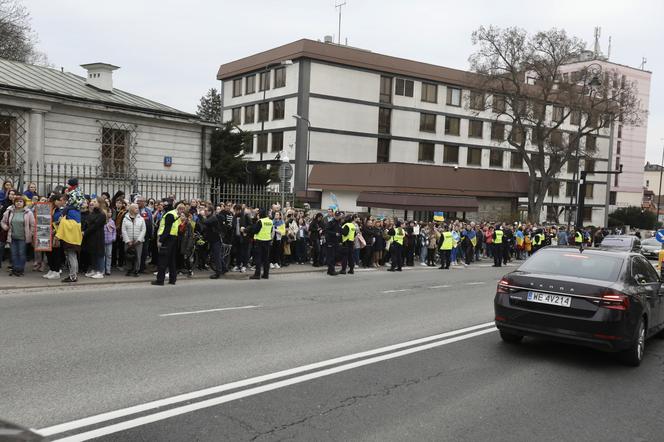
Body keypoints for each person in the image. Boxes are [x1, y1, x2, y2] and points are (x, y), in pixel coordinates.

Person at [1, 197, 34, 276]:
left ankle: (20, 269)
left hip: (23, 237)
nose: (18, 203)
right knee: (13, 254)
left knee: (21, 254)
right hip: (12, 237)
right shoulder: (9, 211)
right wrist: (4, 226)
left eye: (20, 201)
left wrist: (30, 234)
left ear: (24, 203)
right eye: (17, 201)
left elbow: (33, 225)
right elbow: (3, 221)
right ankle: (15, 269)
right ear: (14, 203)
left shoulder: (28, 212)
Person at [152, 199, 180, 286]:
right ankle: (172, 279)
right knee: (171, 260)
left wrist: (161, 240)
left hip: (167, 239)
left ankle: (160, 280)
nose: (162, 207)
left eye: (163, 205)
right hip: (174, 238)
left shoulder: (169, 215)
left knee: (162, 260)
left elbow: (167, 229)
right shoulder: (174, 213)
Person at [81, 197, 107, 279]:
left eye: (95, 201)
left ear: (99, 203)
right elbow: (88, 222)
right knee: (92, 254)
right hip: (91, 237)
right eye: (92, 201)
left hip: (98, 237)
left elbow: (95, 226)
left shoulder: (102, 214)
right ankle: (94, 269)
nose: (92, 202)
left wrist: (85, 232)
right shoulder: (92, 213)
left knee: (99, 254)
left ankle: (100, 271)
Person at [200, 205, 225, 279]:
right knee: (217, 256)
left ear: (210, 211)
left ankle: (218, 273)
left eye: (206, 211)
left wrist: (200, 215)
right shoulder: (209, 217)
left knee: (216, 257)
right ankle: (224, 268)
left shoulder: (213, 218)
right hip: (212, 240)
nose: (204, 212)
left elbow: (205, 222)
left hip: (216, 240)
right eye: (204, 211)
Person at [122, 203, 146, 277]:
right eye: (136, 208)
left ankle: (136, 270)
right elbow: (123, 230)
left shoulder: (141, 219)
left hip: (138, 242)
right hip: (128, 241)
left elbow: (143, 230)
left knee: (138, 256)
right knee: (128, 256)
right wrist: (127, 241)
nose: (137, 209)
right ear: (131, 209)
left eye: (137, 208)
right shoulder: (125, 218)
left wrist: (139, 240)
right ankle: (129, 269)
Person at [248, 208, 273, 280]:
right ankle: (266, 274)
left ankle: (257, 274)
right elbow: (271, 230)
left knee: (258, 258)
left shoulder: (260, 221)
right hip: (267, 241)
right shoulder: (270, 221)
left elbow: (255, 231)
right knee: (266, 259)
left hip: (259, 241)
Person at [324, 211, 342, 275]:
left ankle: (330, 270)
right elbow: (326, 230)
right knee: (331, 256)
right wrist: (335, 234)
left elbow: (340, 232)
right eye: (336, 216)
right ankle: (331, 271)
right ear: (334, 216)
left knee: (335, 256)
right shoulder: (331, 222)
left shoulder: (339, 223)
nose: (337, 217)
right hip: (331, 241)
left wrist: (340, 240)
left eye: (338, 215)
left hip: (336, 242)